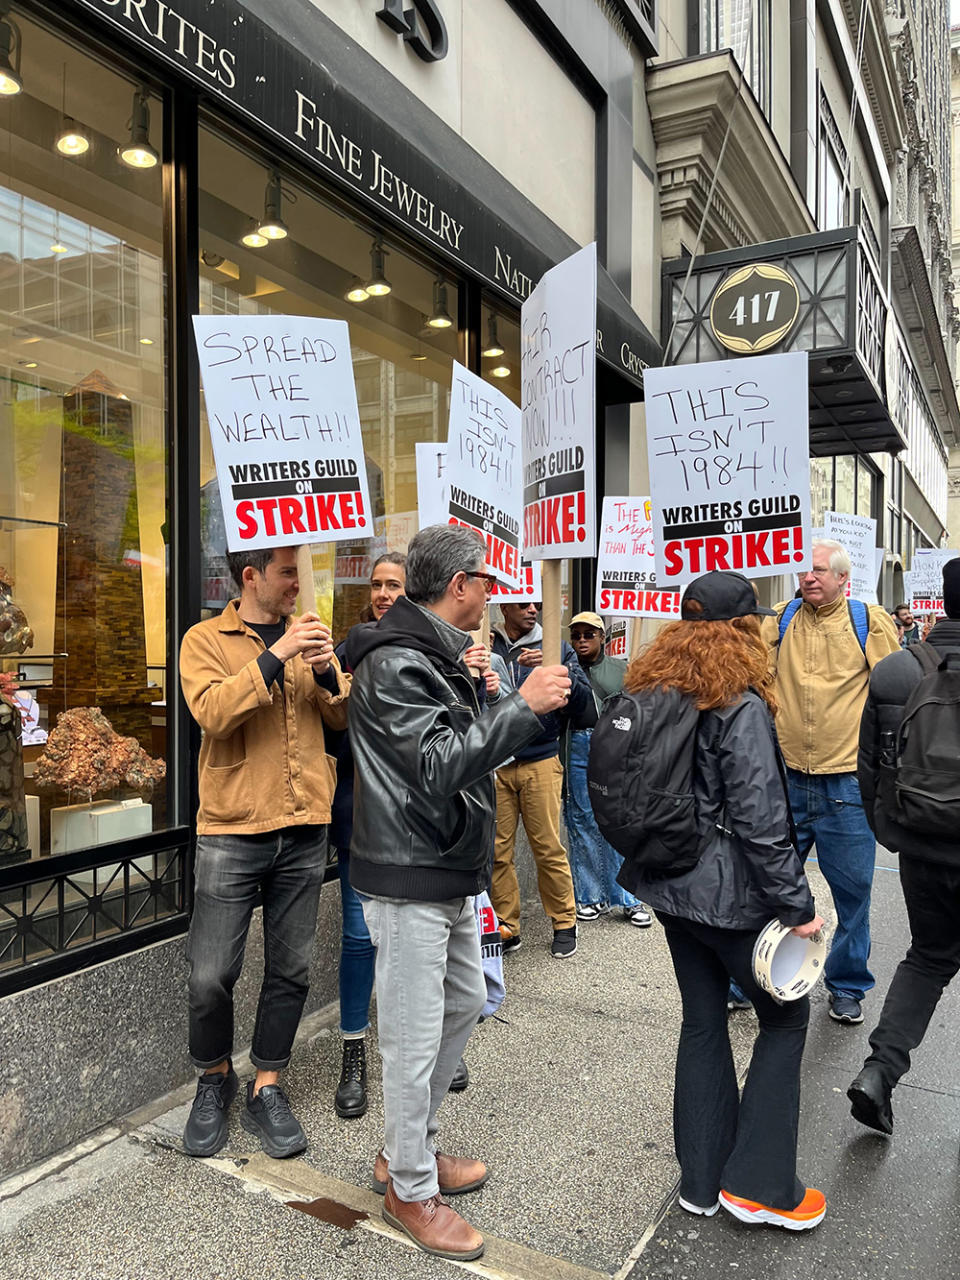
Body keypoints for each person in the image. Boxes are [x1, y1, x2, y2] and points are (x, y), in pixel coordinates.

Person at [346, 524, 572, 1261]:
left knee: (465, 1001)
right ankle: (409, 1188)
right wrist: (520, 706)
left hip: (442, 867)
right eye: (486, 581)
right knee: (412, 1041)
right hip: (410, 874)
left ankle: (406, 1150)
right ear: (459, 586)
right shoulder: (397, 662)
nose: (493, 594)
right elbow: (442, 766)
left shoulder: (435, 655)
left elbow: (452, 753)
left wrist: (495, 694)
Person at [622, 570, 825, 1230]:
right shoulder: (738, 705)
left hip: (671, 889)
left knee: (703, 1022)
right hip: (731, 900)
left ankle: (702, 1183)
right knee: (787, 1020)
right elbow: (763, 822)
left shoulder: (654, 690)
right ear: (744, 630)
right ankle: (761, 1187)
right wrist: (797, 907)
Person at [178, 545, 349, 1159]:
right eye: (286, 574)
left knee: (292, 969)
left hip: (305, 825)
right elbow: (213, 713)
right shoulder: (204, 638)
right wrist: (276, 655)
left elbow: (344, 718)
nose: (297, 586)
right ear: (250, 577)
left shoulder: (308, 642)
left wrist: (329, 672)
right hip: (230, 828)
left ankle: (267, 1084)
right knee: (210, 974)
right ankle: (214, 1077)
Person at [761, 539, 900, 1025]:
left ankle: (846, 986)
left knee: (853, 894)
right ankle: (751, 976)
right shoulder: (779, 621)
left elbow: (895, 692)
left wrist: (886, 771)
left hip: (847, 786)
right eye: (804, 571)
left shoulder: (868, 620)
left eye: (819, 571)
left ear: (844, 578)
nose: (809, 578)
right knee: (766, 883)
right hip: (785, 779)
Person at [848, 559, 960, 1135]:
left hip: (920, 844)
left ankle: (880, 1071)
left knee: (929, 958)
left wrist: (892, 833)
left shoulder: (896, 670)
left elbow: (868, 768)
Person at [328, 553, 407, 1120]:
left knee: (418, 944)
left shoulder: (440, 650)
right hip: (359, 820)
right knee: (359, 938)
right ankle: (353, 1053)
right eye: (376, 585)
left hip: (418, 828)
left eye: (393, 585)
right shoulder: (345, 650)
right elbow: (329, 735)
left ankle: (429, 1049)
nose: (382, 593)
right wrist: (330, 687)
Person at [490, 599, 590, 957]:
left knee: (547, 847)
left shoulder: (556, 647)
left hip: (541, 760)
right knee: (497, 851)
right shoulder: (486, 642)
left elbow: (584, 706)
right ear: (503, 608)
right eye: (522, 604)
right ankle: (506, 926)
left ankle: (564, 921)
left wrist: (554, 668)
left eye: (537, 603)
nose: (532, 609)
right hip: (496, 762)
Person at [563, 611, 651, 927]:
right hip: (575, 745)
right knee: (582, 819)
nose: (582, 640)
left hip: (612, 746)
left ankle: (627, 897)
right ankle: (589, 896)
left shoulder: (621, 670)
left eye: (589, 634)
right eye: (577, 635)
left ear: (604, 638)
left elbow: (636, 714)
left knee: (618, 821)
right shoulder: (564, 669)